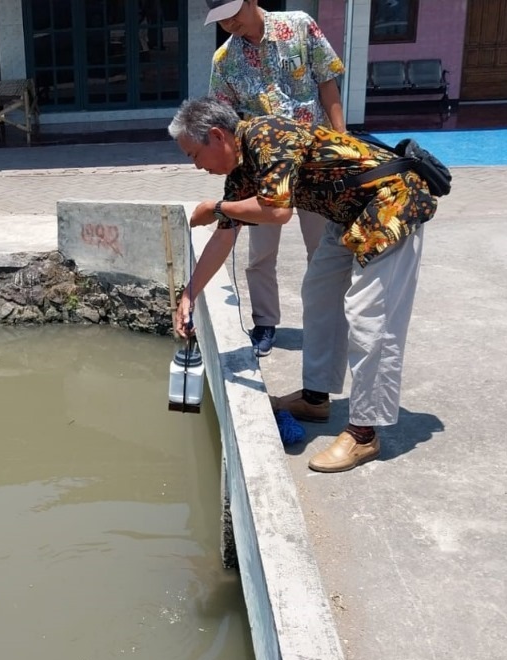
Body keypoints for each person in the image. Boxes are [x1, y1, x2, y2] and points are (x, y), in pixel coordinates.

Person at [169, 97, 437, 473]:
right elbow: (224, 236)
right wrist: (189, 295)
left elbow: (277, 212)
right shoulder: (241, 171)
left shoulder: (266, 136)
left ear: (217, 136)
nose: (197, 166)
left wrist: (217, 207)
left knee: (370, 316)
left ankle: (364, 434)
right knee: (319, 293)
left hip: (390, 203)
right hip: (347, 214)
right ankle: (315, 398)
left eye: (194, 154)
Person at [204, 0, 347, 357]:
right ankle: (265, 321)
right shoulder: (224, 61)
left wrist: (341, 143)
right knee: (261, 253)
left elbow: (327, 84)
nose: (229, 24)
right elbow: (225, 121)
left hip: (314, 161)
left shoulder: (299, 27)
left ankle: (325, 322)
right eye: (221, 20)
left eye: (233, 13)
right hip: (262, 169)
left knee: (324, 249)